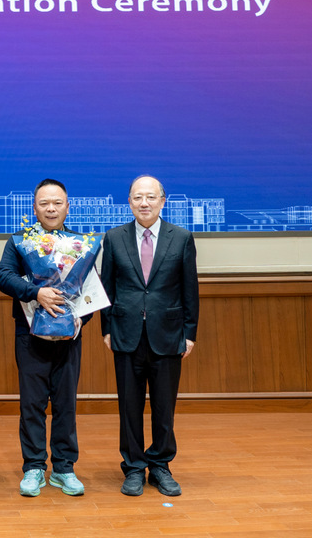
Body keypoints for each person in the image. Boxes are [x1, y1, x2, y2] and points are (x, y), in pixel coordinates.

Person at [99, 175, 199, 498]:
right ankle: (133, 467)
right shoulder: (114, 238)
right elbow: (106, 287)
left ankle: (160, 465)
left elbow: (190, 290)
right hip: (126, 333)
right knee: (129, 406)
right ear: (129, 201)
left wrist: (189, 333)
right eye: (138, 197)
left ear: (162, 201)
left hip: (168, 334)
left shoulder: (181, 238)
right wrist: (106, 329)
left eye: (151, 197)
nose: (144, 203)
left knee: (164, 407)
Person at [0, 178, 89, 498]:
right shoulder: (20, 242)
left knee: (66, 404)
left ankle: (64, 468)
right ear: (35, 208)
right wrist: (37, 292)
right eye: (44, 203)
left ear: (67, 207)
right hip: (30, 335)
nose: (51, 209)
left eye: (57, 203)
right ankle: (34, 466)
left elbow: (92, 289)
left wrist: (81, 318)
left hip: (69, 336)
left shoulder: (82, 244)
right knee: (32, 404)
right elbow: (5, 277)